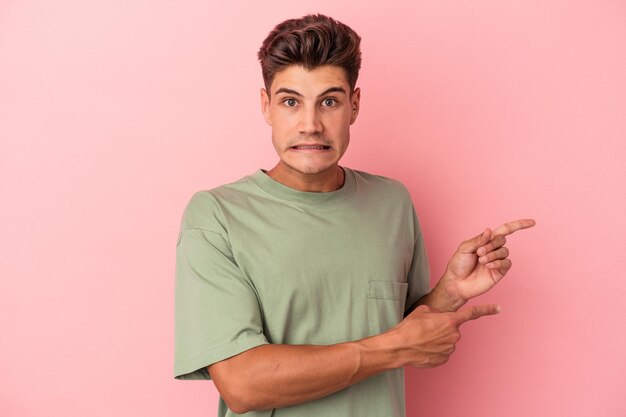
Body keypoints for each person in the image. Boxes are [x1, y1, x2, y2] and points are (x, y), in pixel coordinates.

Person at [174, 13, 535, 417]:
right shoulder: (217, 215)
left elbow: (400, 329)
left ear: (355, 106)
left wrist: (450, 291)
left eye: (329, 101)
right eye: (291, 102)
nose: (310, 125)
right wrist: (392, 349)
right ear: (266, 107)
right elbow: (242, 384)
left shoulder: (393, 202)